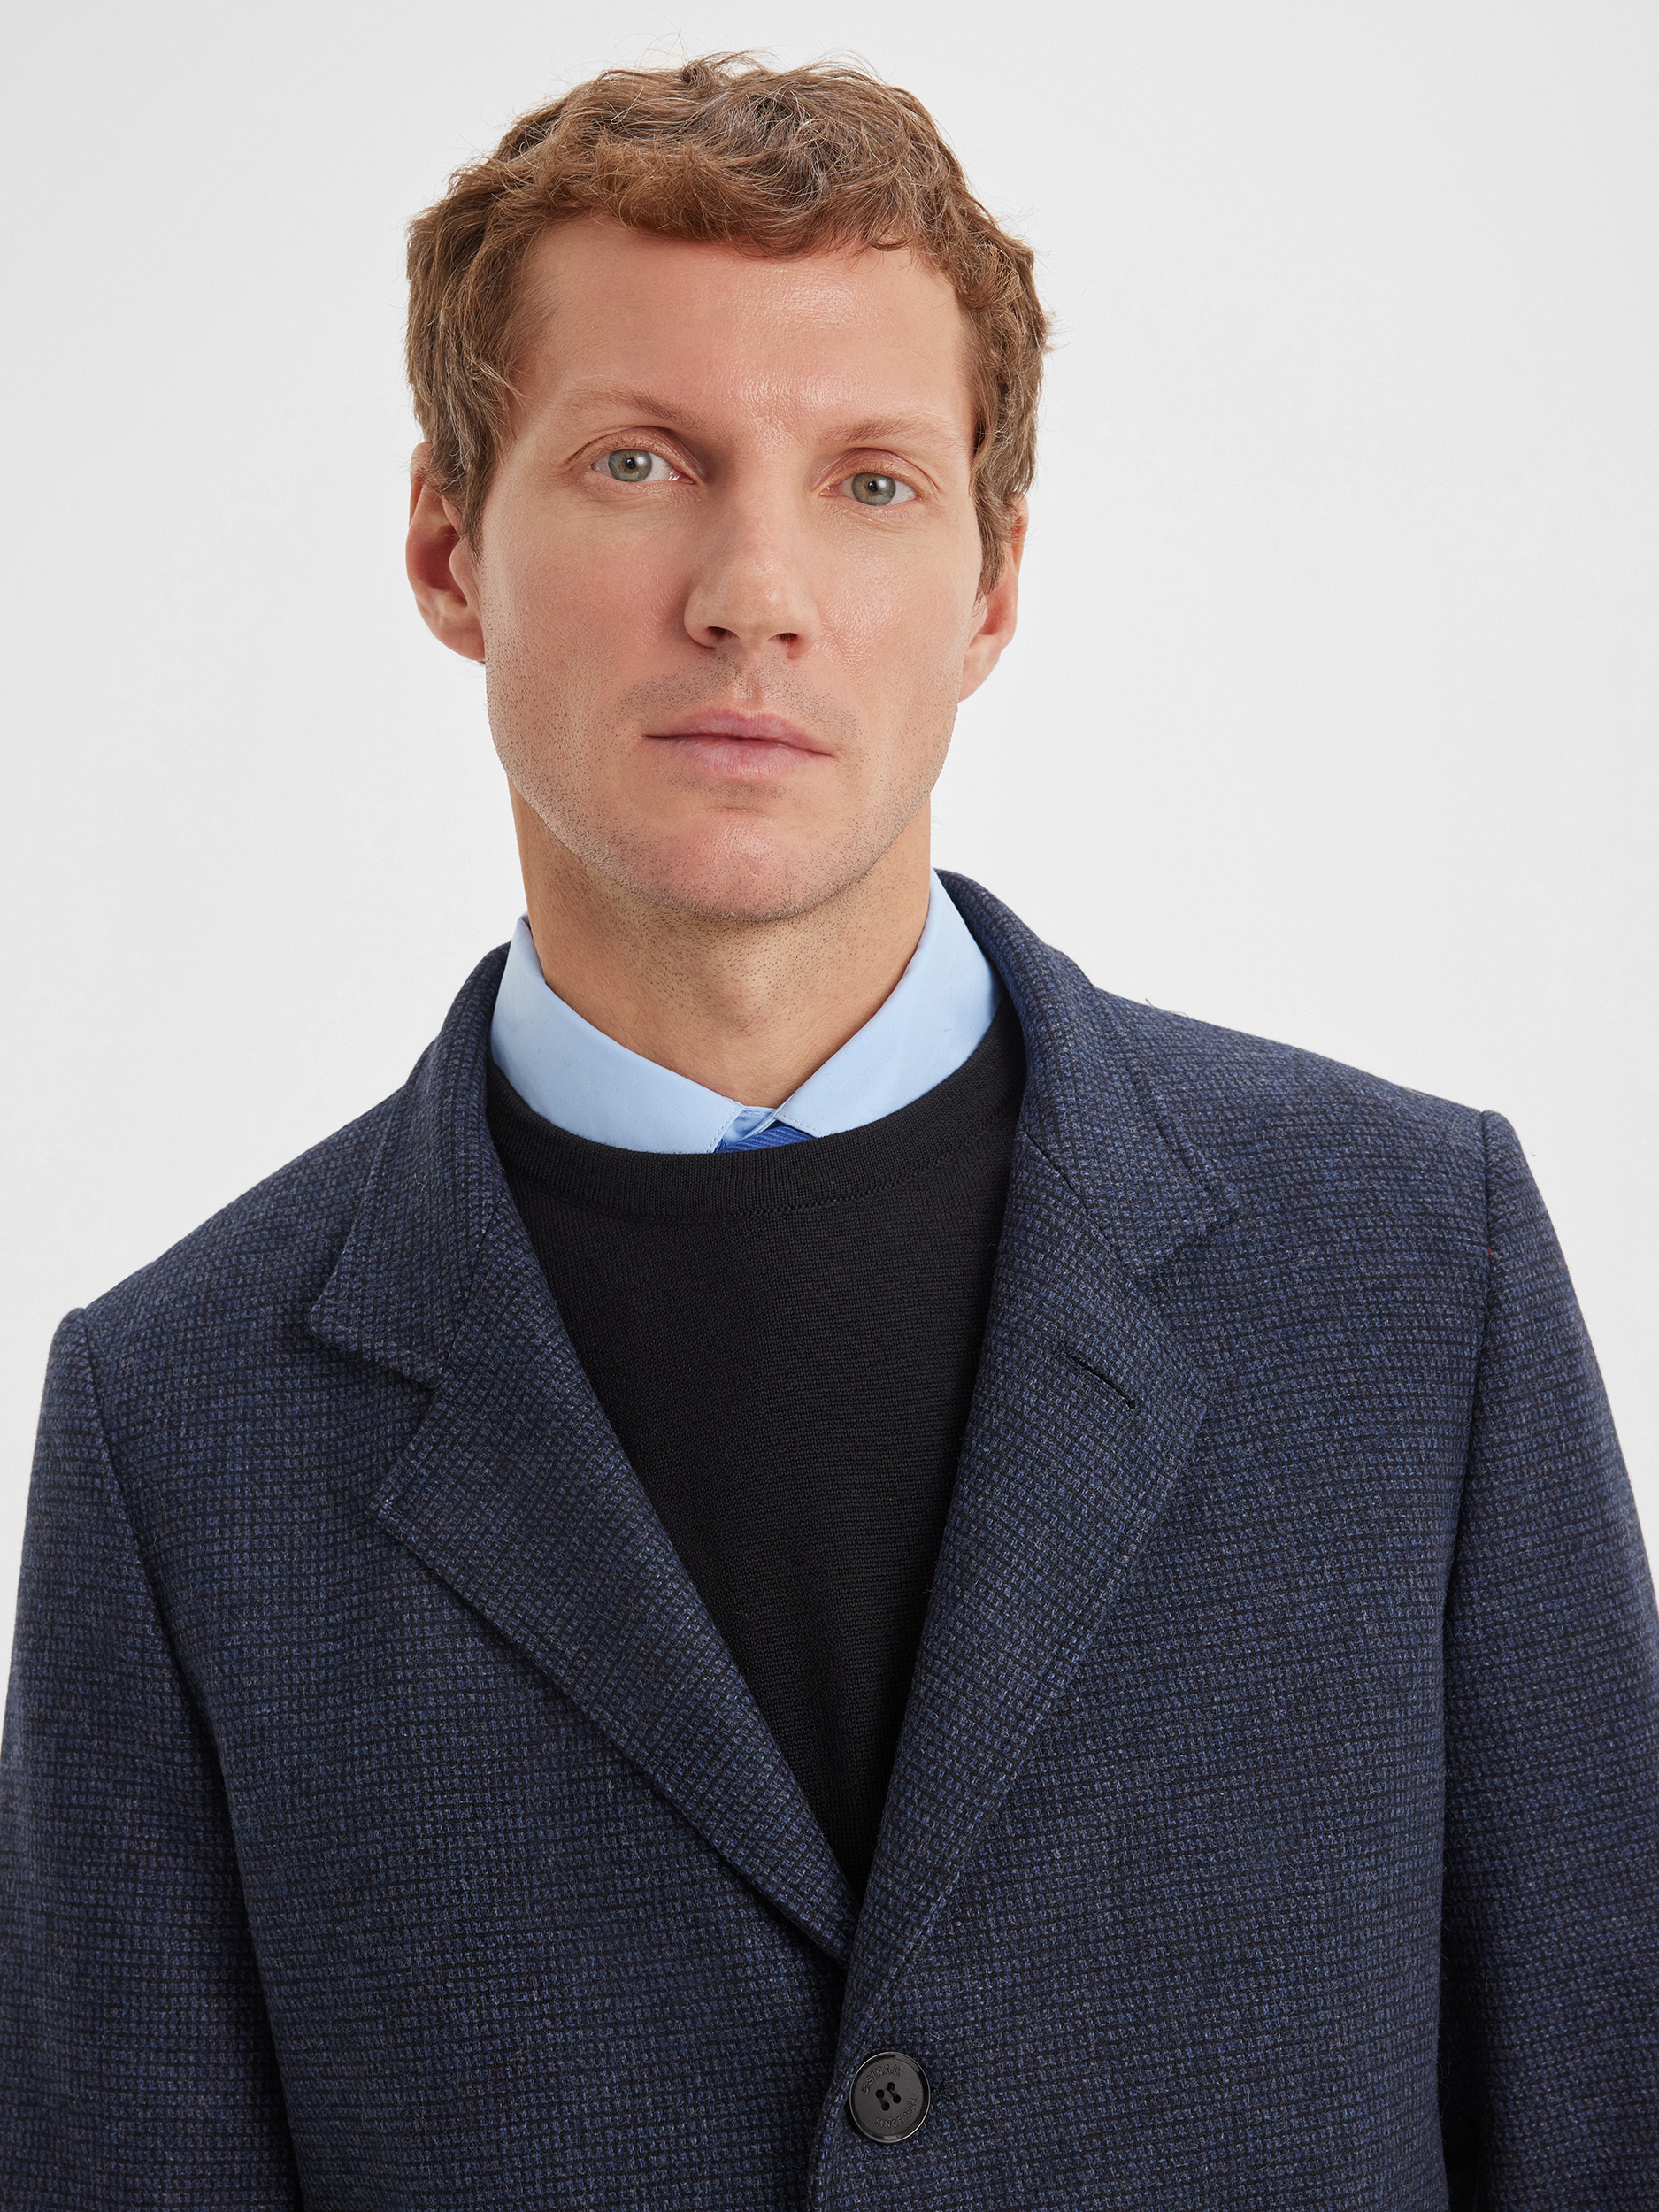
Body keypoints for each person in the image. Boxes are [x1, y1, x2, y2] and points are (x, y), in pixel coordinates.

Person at [2, 51, 1655, 2208]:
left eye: (868, 481)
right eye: (637, 461)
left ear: (990, 586)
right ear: (444, 544)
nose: (751, 589)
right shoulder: (176, 1427)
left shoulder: (1417, 1274)